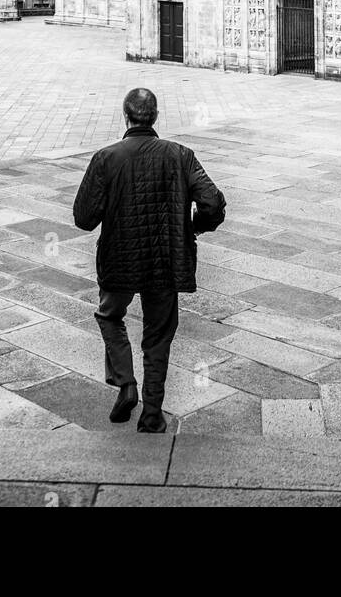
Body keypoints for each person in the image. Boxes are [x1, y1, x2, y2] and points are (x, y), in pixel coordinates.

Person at [72, 87, 226, 433]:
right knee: (158, 336)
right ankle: (152, 414)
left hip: (119, 259)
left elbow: (83, 217)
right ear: (155, 118)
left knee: (109, 315)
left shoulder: (106, 157)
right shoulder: (180, 155)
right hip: (165, 260)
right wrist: (195, 228)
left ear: (125, 117)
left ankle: (126, 384)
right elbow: (213, 202)